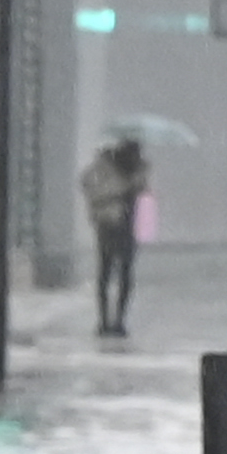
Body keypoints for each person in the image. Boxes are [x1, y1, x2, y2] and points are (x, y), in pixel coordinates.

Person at [80, 127, 149, 339]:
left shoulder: (136, 169)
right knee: (107, 272)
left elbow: (142, 193)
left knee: (124, 274)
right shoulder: (104, 167)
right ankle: (104, 320)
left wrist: (140, 179)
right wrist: (122, 190)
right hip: (110, 223)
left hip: (128, 225)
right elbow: (90, 184)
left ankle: (118, 319)